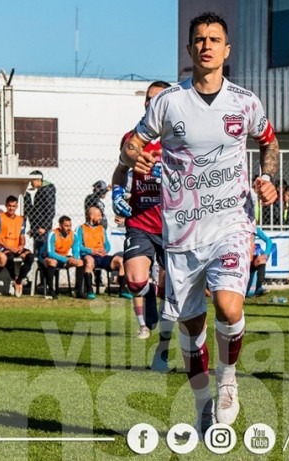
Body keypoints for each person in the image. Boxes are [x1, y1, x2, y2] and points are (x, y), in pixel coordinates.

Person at [122, 12, 280, 431]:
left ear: (227, 51)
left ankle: (228, 380)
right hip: (182, 232)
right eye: (199, 39)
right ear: (189, 49)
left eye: (214, 39)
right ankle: (201, 405)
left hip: (232, 224)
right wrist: (132, 156)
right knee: (192, 327)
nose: (206, 45)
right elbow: (132, 143)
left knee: (228, 307)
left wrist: (266, 177)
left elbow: (270, 141)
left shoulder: (246, 101)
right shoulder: (168, 101)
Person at [111, 80, 172, 344]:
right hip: (140, 222)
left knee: (169, 290)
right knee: (135, 281)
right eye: (149, 98)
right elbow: (120, 171)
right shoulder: (131, 139)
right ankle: (145, 299)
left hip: (173, 225)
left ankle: (166, 337)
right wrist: (116, 194)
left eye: (158, 99)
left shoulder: (180, 140)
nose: (151, 103)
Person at [76, 206, 128, 299]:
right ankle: (89, 291)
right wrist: (91, 251)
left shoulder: (101, 229)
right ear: (92, 216)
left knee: (120, 261)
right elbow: (78, 246)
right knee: (89, 261)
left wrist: (105, 250)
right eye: (99, 215)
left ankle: (122, 290)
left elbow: (107, 245)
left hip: (102, 256)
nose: (101, 218)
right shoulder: (81, 229)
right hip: (90, 256)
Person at [0, 195, 36, 297]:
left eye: (13, 206)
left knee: (30, 257)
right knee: (9, 256)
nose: (11, 208)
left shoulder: (21, 219)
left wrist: (21, 245)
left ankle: (19, 280)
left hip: (16, 247)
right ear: (6, 205)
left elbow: (22, 236)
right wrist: (8, 246)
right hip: (4, 247)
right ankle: (14, 278)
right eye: (9, 206)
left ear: (16, 206)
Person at [41, 215, 85, 299]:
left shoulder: (73, 235)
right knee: (52, 261)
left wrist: (74, 259)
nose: (69, 228)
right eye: (66, 226)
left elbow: (76, 250)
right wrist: (66, 259)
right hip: (46, 257)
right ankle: (50, 290)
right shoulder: (52, 233)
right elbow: (50, 253)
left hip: (62, 258)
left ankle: (78, 291)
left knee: (80, 262)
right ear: (60, 226)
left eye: (70, 226)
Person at [23, 170, 56, 258]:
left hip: (42, 228)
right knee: (38, 251)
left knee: (42, 252)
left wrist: (44, 227)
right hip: (39, 226)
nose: (31, 184)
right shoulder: (42, 190)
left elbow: (50, 210)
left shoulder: (46, 191)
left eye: (32, 181)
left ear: (38, 180)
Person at [246, 226, 274, 298]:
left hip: (249, 260)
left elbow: (269, 241)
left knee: (261, 260)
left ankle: (258, 289)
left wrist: (266, 254)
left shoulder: (253, 228)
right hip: (239, 260)